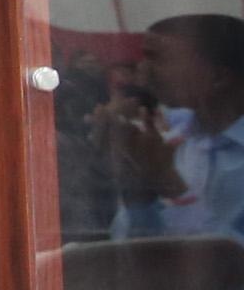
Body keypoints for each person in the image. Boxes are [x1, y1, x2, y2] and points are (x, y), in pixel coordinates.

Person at [103, 14, 244, 241]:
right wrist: (140, 197)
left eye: (158, 58)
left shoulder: (170, 151)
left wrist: (175, 192)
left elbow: (228, 265)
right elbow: (127, 253)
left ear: (218, 76)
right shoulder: (171, 146)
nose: (143, 68)